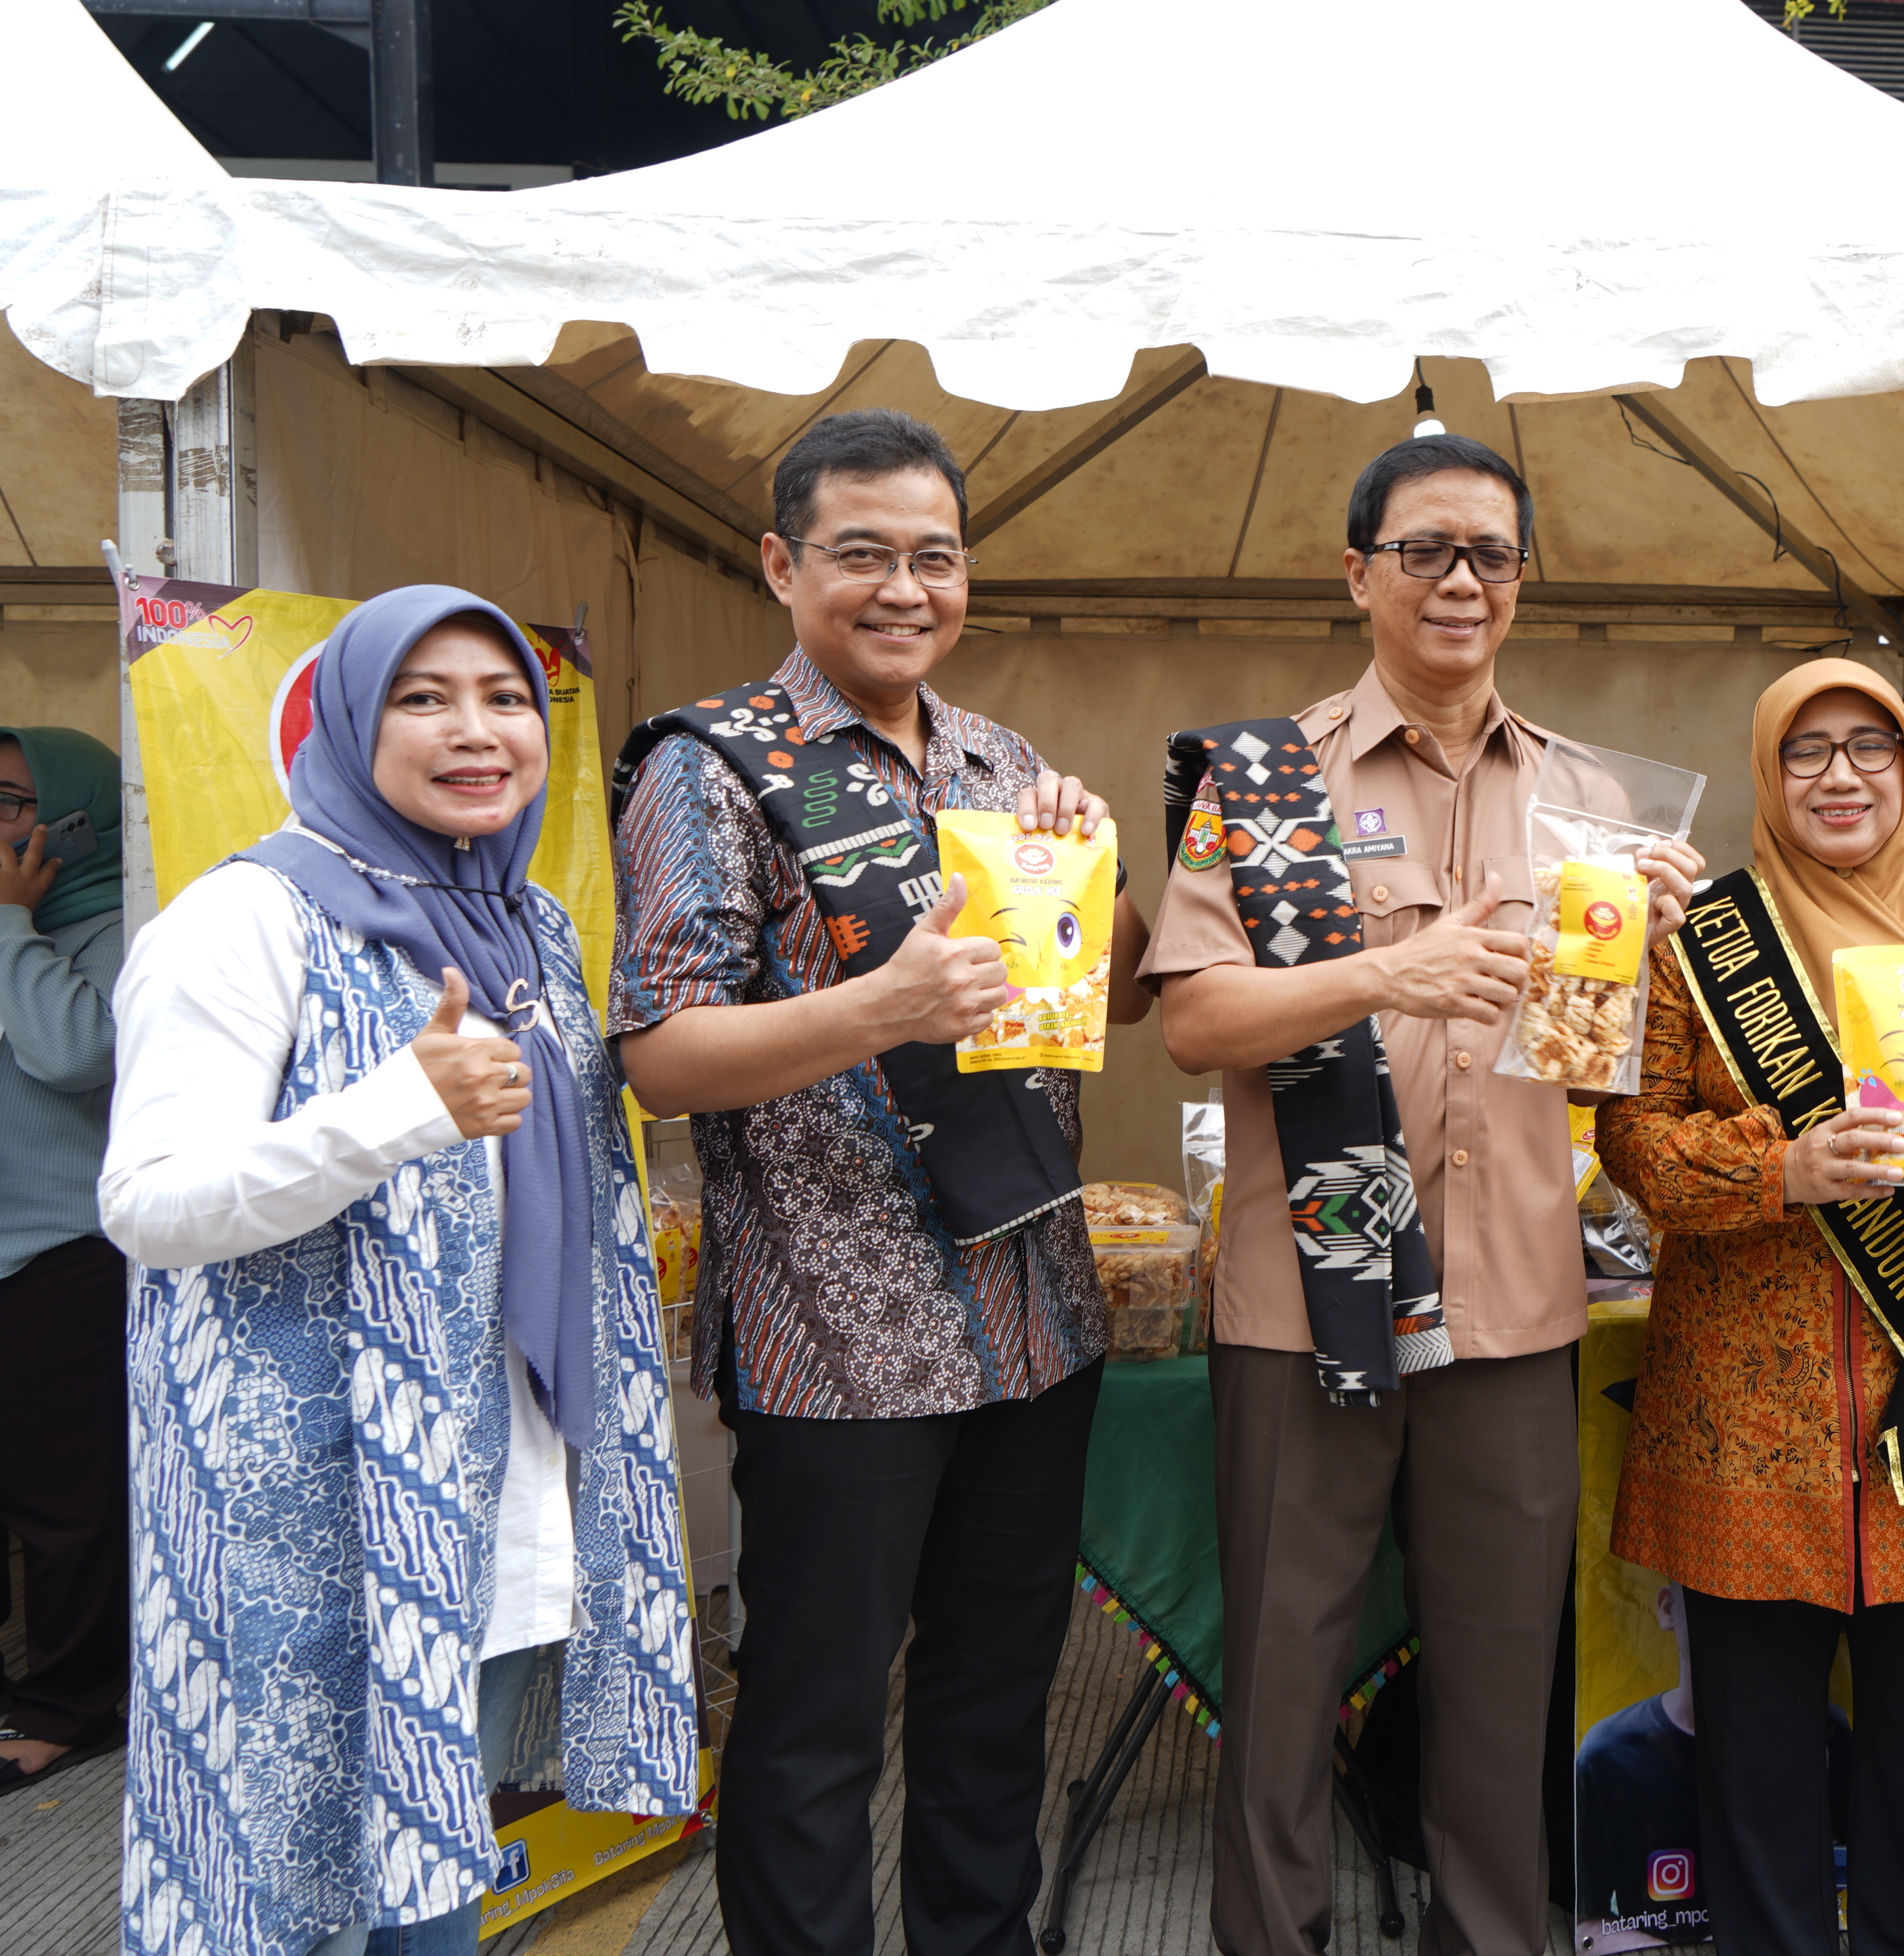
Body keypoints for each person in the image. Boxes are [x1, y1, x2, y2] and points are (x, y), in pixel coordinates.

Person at [1147, 433, 1703, 1956]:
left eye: (1493, 555)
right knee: (1277, 1679)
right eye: (1426, 550)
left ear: (1521, 584)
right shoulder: (1266, 780)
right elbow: (1193, 1022)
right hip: (1302, 1296)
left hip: (1517, 1300)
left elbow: (1620, 1069)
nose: (1461, 579)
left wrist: (1672, 946)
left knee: (1501, 1685)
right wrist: (1390, 969)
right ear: (1360, 572)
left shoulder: (1590, 801)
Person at [612, 407, 1147, 1956]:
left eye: (934, 554)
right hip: (836, 1344)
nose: (903, 586)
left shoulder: (1006, 763)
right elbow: (659, 1052)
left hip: (1034, 1319)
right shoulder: (709, 766)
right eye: (862, 554)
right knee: (814, 1734)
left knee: (994, 1716)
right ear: (784, 566)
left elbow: (1090, 1006)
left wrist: (1097, 870)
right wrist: (878, 1009)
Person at [98, 587, 699, 1955]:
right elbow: (147, 1201)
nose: (475, 730)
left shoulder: (529, 924)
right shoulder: (245, 917)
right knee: (287, 1891)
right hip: (304, 1509)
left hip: (471, 1494)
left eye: (504, 698)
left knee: (428, 1887)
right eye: (424, 697)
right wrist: (393, 1109)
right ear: (347, 717)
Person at [1595, 658, 1904, 1956]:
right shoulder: (1697, 941)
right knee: (1753, 1758)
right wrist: (1780, 1166)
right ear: (1767, 772)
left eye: (1870, 745)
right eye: (1806, 751)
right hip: (1747, 1417)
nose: (1841, 775)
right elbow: (1631, 1139)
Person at [0, 728, 128, 1795]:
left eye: (8, 800)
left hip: (63, 1250)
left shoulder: (123, 926)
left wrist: (8, 924)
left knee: (66, 1498)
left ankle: (71, 1701)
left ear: (77, 817)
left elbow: (79, 1052)